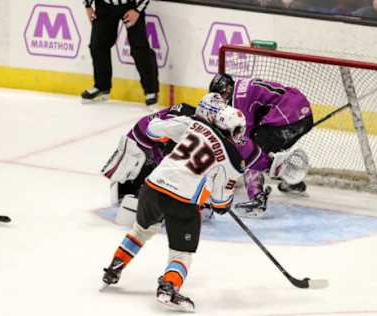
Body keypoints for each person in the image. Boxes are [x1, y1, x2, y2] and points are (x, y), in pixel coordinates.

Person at [101, 104, 247, 312]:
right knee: (182, 254)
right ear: (232, 129)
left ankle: (114, 268)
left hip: (152, 187)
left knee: (140, 231)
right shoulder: (233, 160)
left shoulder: (193, 124)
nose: (241, 134)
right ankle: (168, 288)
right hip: (182, 201)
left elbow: (153, 128)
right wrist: (223, 205)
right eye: (239, 129)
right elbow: (220, 200)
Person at [209, 73, 313, 218]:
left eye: (221, 95)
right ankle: (292, 181)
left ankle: (257, 198)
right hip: (303, 116)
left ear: (227, 88)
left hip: (288, 116)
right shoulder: (242, 86)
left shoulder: (239, 99)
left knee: (251, 153)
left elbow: (244, 137)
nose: (222, 101)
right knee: (271, 148)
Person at [81, 0, 159, 105]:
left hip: (131, 5)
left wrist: (137, 10)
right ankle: (102, 87)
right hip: (104, 5)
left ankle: (151, 90)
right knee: (98, 44)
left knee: (139, 48)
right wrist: (88, 6)